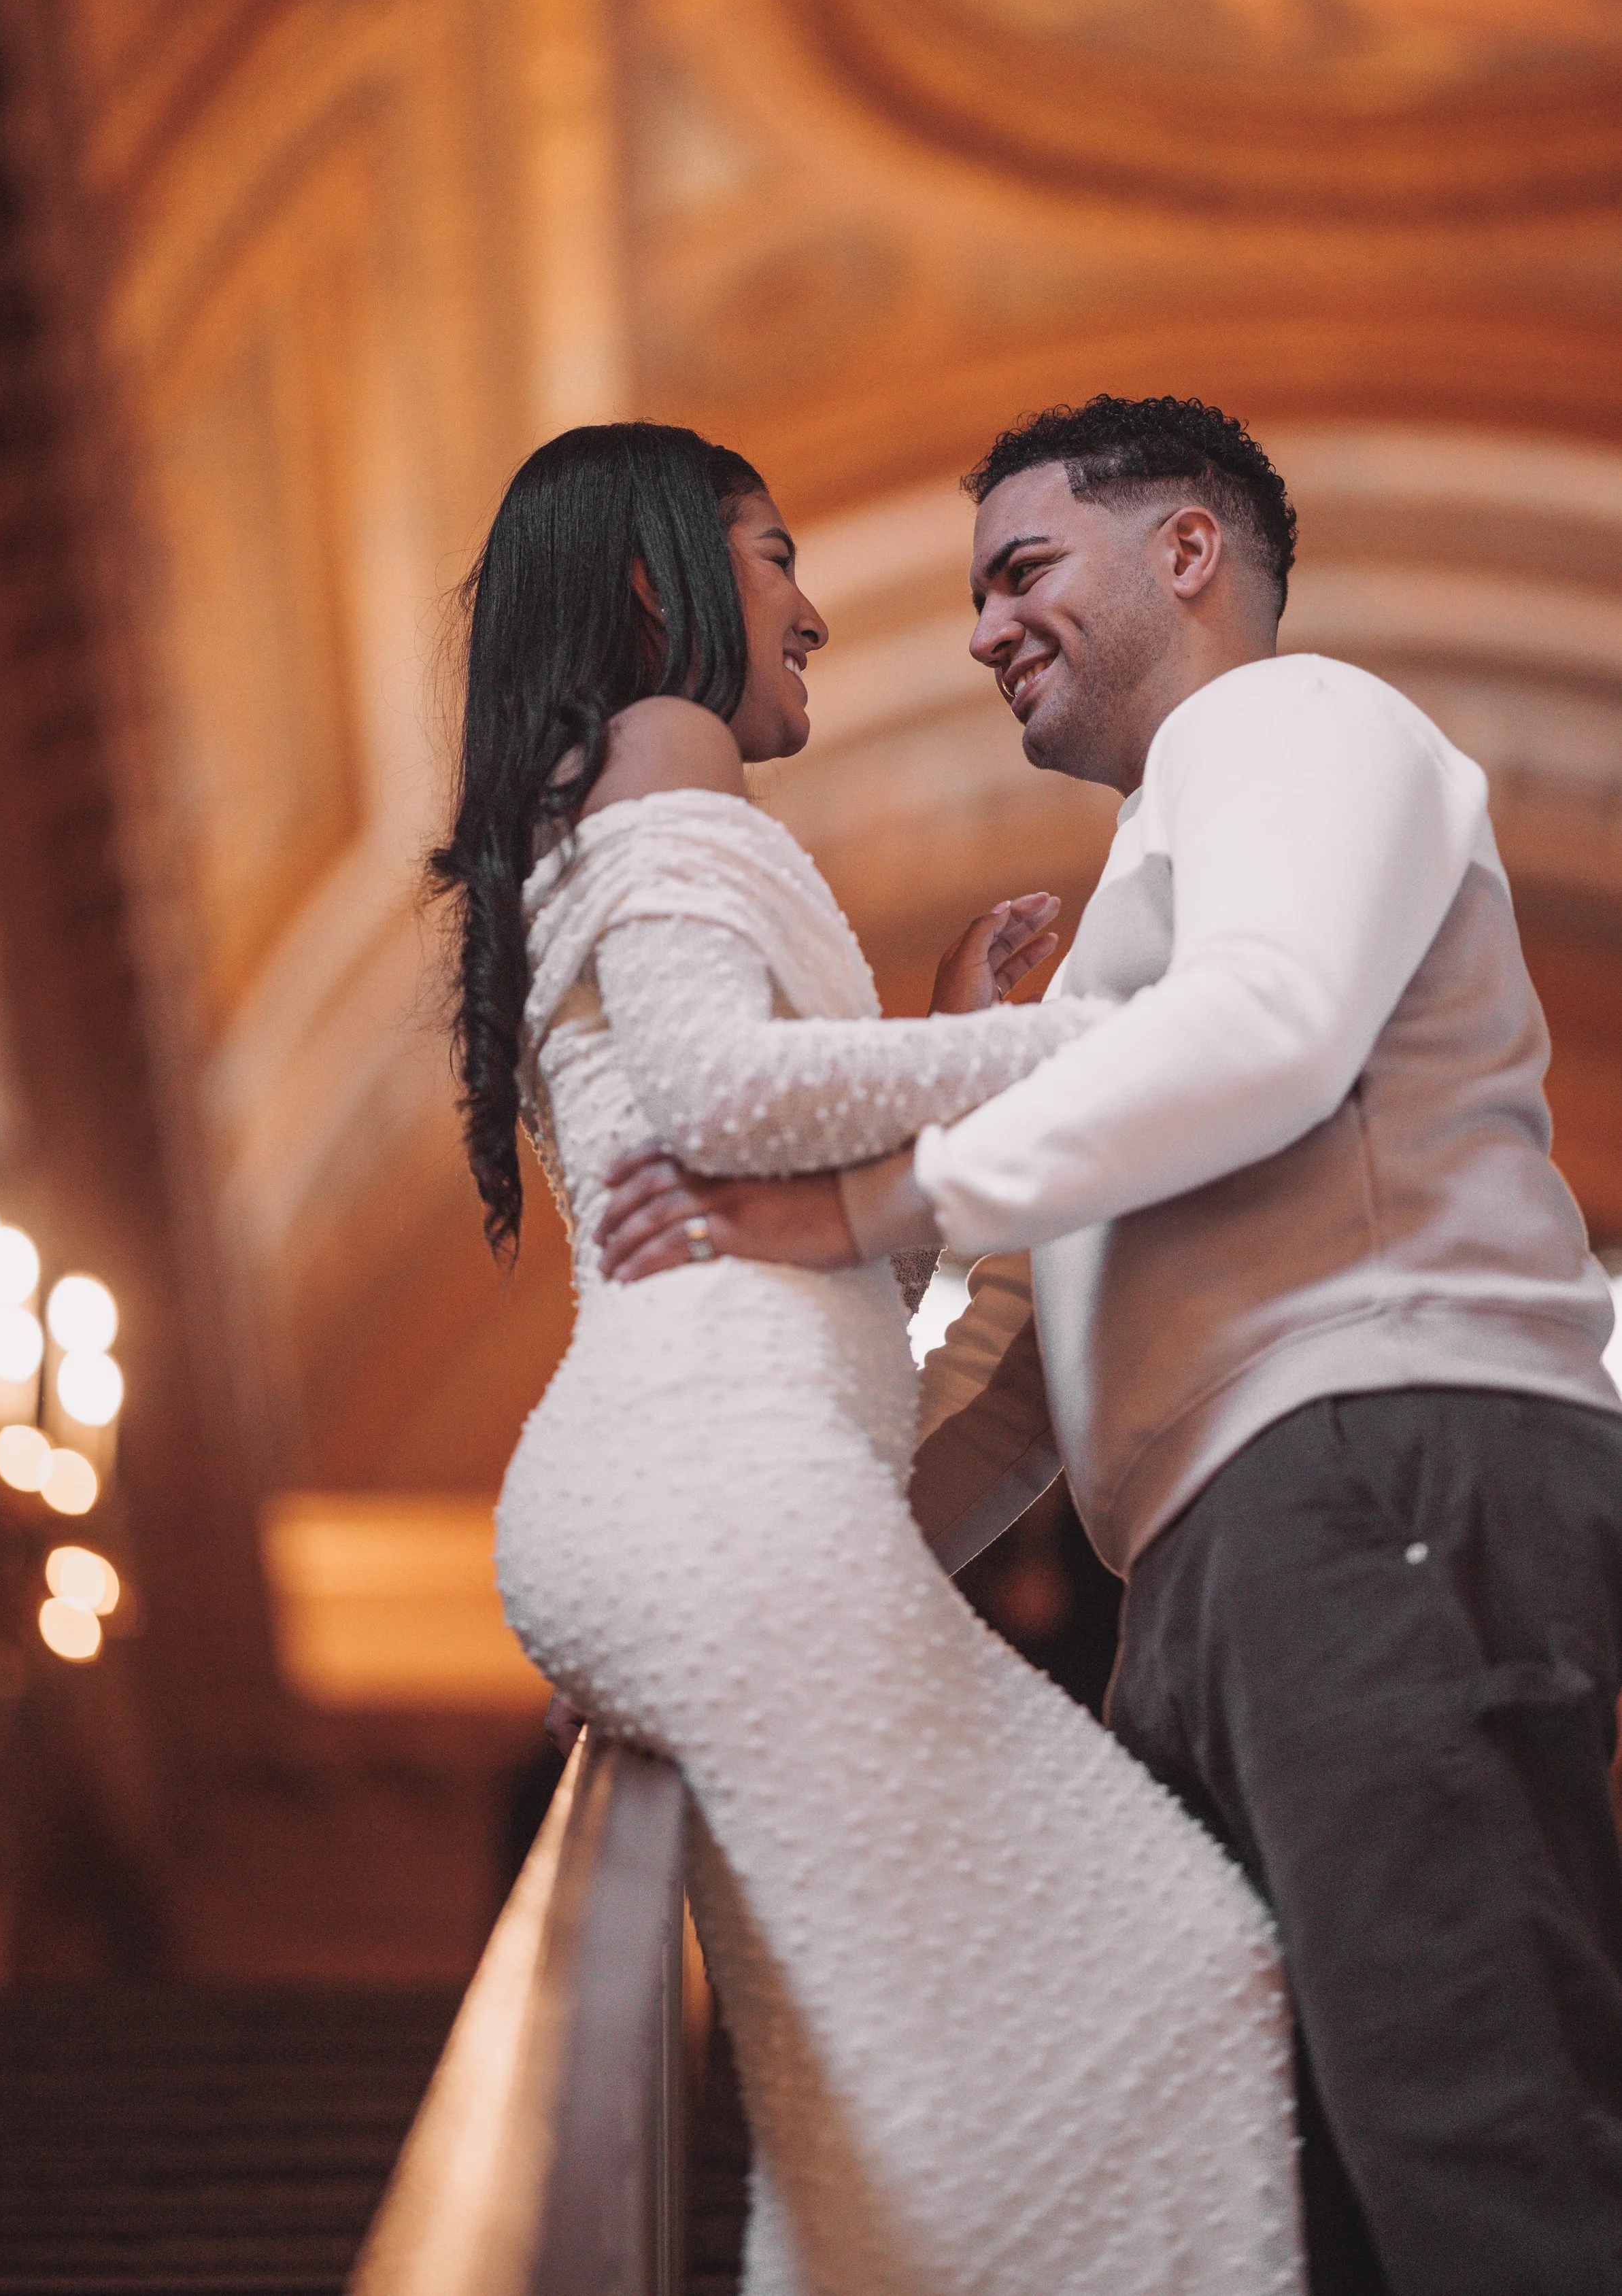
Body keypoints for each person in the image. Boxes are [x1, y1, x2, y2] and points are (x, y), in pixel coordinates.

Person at [599, 396, 1622, 2296]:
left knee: (1471, 2128)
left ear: (1185, 555)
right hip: (1233, 1548)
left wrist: (858, 1201)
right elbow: (1009, 1373)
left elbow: (1278, 1029)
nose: (982, 625)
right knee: (1301, 2199)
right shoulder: (1115, 956)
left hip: (1371, 1458)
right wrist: (749, 1598)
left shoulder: (1289, 723)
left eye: (1020, 570)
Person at [431, 419, 1304, 2296]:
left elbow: (771, 1176)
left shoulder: (609, 804)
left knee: (860, 2129)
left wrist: (937, 1041)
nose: (810, 608)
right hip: (721, 1493)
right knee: (1184, 1960)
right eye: (770, 555)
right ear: (661, 583)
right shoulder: (664, 760)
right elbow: (721, 1093)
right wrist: (1096, 1042)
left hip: (696, 1486)